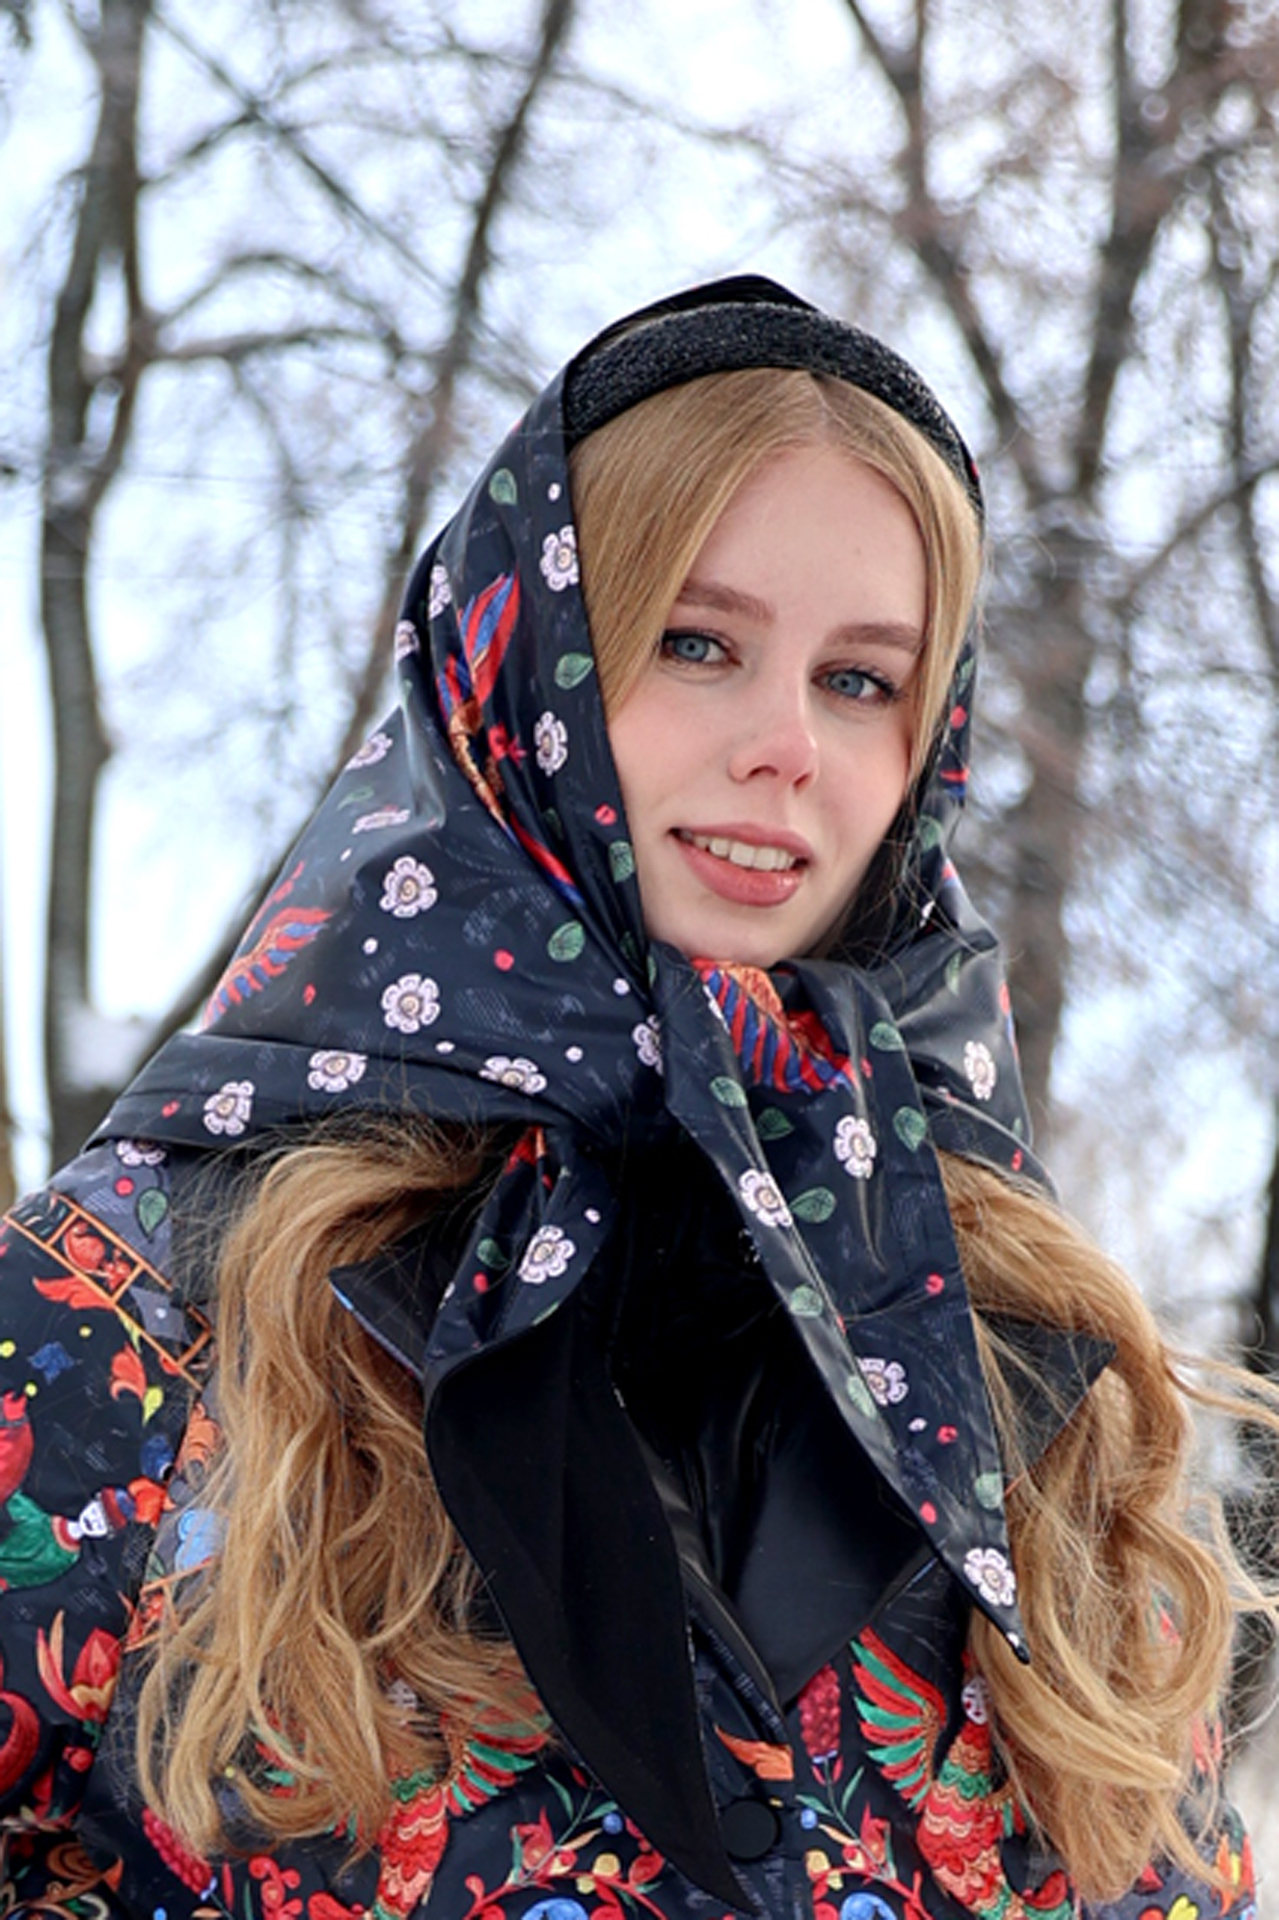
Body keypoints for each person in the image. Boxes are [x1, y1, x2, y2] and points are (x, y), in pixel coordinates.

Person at [0, 276, 1264, 1920]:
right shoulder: (133, 1304)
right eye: (696, 642)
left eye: (860, 680)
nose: (787, 745)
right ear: (519, 666)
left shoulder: (1014, 1343)